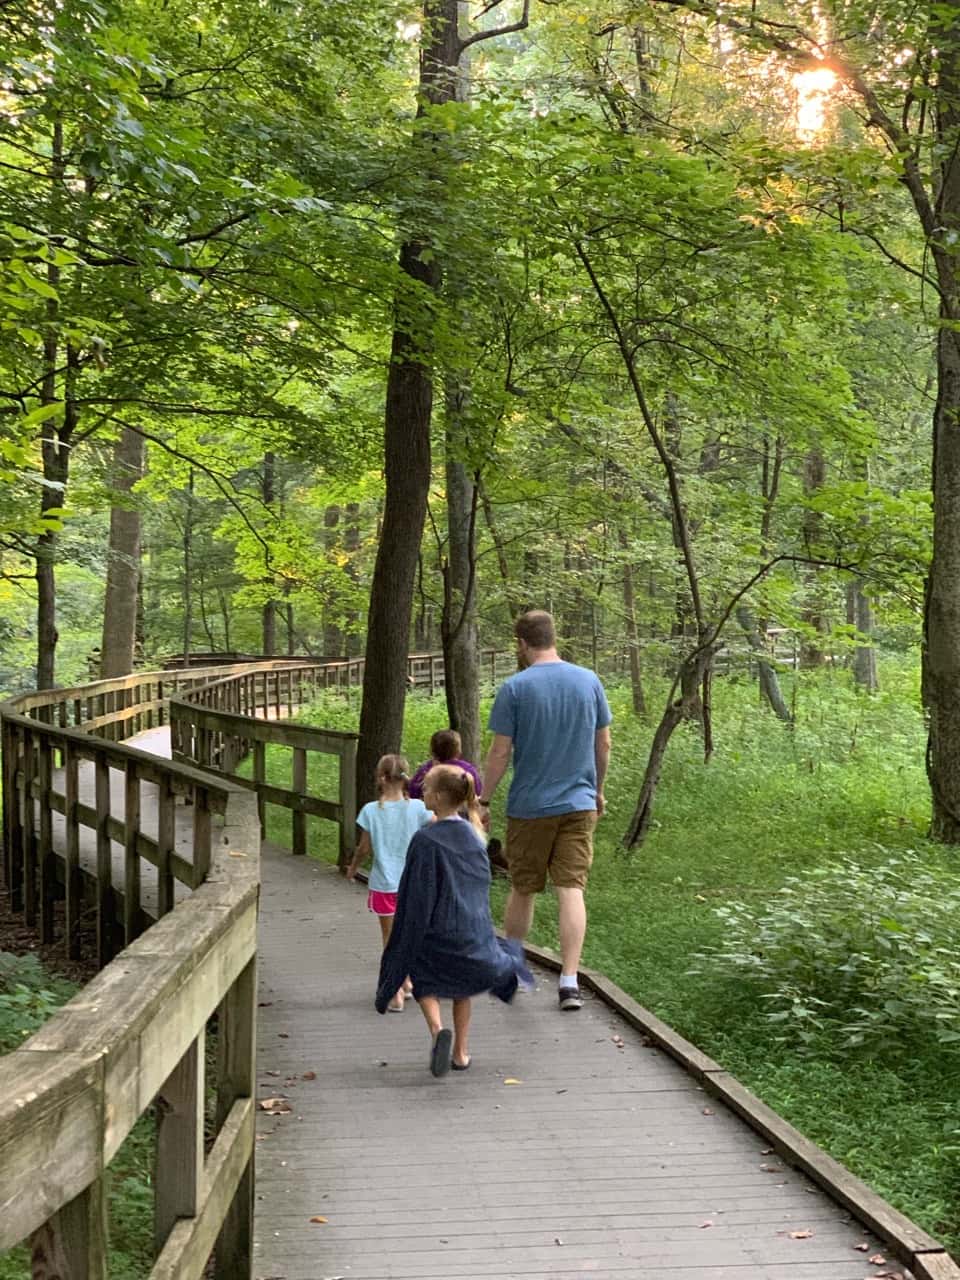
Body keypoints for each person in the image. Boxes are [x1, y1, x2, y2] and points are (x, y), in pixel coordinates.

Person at [481, 610, 612, 1012]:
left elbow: (501, 753)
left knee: (524, 887)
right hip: (578, 803)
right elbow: (603, 744)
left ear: (521, 643)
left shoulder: (515, 688)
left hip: (530, 807)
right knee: (571, 888)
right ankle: (569, 981)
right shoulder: (589, 681)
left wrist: (482, 800)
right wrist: (598, 791)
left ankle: (516, 968)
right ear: (554, 638)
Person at [375, 765, 532, 1076]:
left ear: (437, 796)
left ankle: (437, 1031)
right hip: (470, 932)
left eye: (426, 789)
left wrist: (407, 938)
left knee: (423, 977)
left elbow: (416, 894)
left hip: (438, 933)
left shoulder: (426, 840)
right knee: (462, 988)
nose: (422, 792)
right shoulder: (475, 836)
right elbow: (478, 888)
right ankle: (460, 1052)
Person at [345, 754, 432, 1011]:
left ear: (380, 779)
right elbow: (441, 824)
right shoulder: (417, 808)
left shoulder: (371, 811)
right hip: (413, 884)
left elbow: (363, 848)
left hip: (384, 884)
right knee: (410, 934)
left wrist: (352, 868)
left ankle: (395, 990)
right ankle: (405, 981)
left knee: (390, 938)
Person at [408, 728, 482, 800]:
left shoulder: (426, 769)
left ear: (432, 750)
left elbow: (412, 792)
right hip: (462, 811)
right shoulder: (468, 770)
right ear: (458, 750)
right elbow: (478, 792)